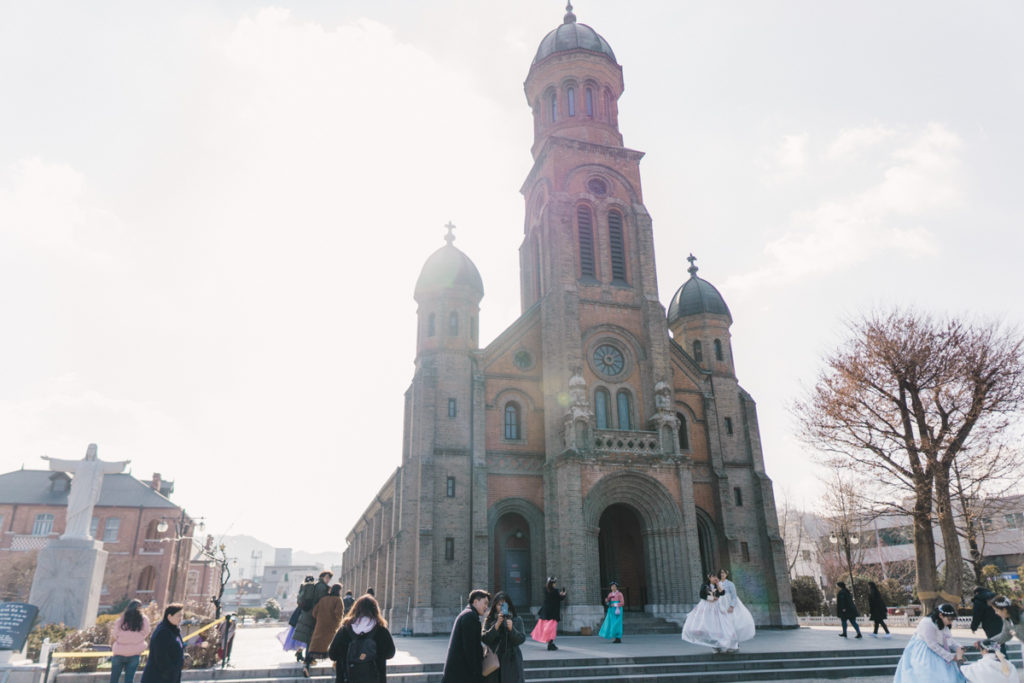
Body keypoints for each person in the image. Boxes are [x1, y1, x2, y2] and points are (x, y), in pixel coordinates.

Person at [328, 594, 396, 683]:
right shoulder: (381, 630)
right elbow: (390, 653)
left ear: (355, 608)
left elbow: (332, 654)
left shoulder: (344, 630)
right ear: (375, 610)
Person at [893, 603, 966, 682]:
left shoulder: (942, 622)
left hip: (939, 648)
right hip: (924, 650)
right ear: (941, 615)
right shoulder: (927, 622)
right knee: (929, 674)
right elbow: (932, 644)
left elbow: (948, 639)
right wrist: (951, 657)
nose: (950, 622)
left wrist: (959, 647)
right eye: (949, 620)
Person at [441, 589, 490, 683]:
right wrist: (477, 673)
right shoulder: (470, 616)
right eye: (485, 603)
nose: (486, 607)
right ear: (476, 602)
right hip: (463, 674)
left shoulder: (467, 614)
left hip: (458, 673)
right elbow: (470, 649)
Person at [682, 573, 738, 653]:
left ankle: (722, 644)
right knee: (709, 624)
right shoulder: (705, 585)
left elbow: (722, 593)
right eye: (713, 577)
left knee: (720, 625)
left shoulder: (717, 585)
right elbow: (701, 595)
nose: (715, 578)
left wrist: (718, 584)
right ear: (709, 577)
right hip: (707, 606)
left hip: (716, 606)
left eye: (716, 577)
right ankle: (714, 645)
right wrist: (711, 598)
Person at [482, 591, 527, 683]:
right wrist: (496, 625)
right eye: (499, 604)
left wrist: (512, 629)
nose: (501, 607)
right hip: (494, 660)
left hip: (512, 661)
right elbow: (485, 639)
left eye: (504, 604)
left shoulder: (517, 620)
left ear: (509, 605)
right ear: (495, 606)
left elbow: (520, 639)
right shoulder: (489, 620)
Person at [304, 584, 348, 677]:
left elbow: (314, 612)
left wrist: (321, 619)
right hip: (332, 628)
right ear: (339, 590)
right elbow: (338, 614)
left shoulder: (323, 599)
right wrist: (339, 624)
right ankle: (335, 665)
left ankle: (306, 667)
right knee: (335, 647)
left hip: (320, 626)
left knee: (314, 648)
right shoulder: (338, 600)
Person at [140, 604, 185, 683]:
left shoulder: (174, 631)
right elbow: (161, 657)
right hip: (159, 677)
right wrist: (171, 672)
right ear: (169, 616)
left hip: (170, 677)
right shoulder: (163, 632)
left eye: (182, 616)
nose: (181, 619)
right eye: (178, 616)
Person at [109, 599, 151, 683]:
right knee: (129, 680)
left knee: (114, 679)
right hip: (134, 653)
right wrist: (138, 639)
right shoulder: (144, 619)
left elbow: (115, 634)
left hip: (119, 652)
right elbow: (147, 632)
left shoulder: (122, 619)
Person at [294, 572, 333, 663]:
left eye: (329, 578)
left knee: (310, 639)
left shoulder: (315, 585)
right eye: (327, 577)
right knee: (311, 639)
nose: (328, 580)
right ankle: (308, 661)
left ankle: (309, 659)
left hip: (308, 614)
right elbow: (321, 603)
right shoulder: (322, 587)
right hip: (314, 616)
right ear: (322, 577)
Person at [718, 569, 756, 645]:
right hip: (720, 604)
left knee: (731, 622)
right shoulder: (718, 583)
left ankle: (734, 642)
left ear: (726, 574)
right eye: (721, 573)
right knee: (722, 624)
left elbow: (734, 596)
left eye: (724, 573)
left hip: (728, 603)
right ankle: (723, 642)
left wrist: (732, 606)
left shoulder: (730, 584)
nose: (722, 574)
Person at [530, 577, 567, 651]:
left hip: (545, 613)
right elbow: (559, 598)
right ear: (552, 583)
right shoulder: (555, 591)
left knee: (546, 628)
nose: (555, 584)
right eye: (554, 583)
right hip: (552, 613)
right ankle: (550, 644)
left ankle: (550, 643)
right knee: (551, 629)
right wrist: (563, 594)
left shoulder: (546, 590)